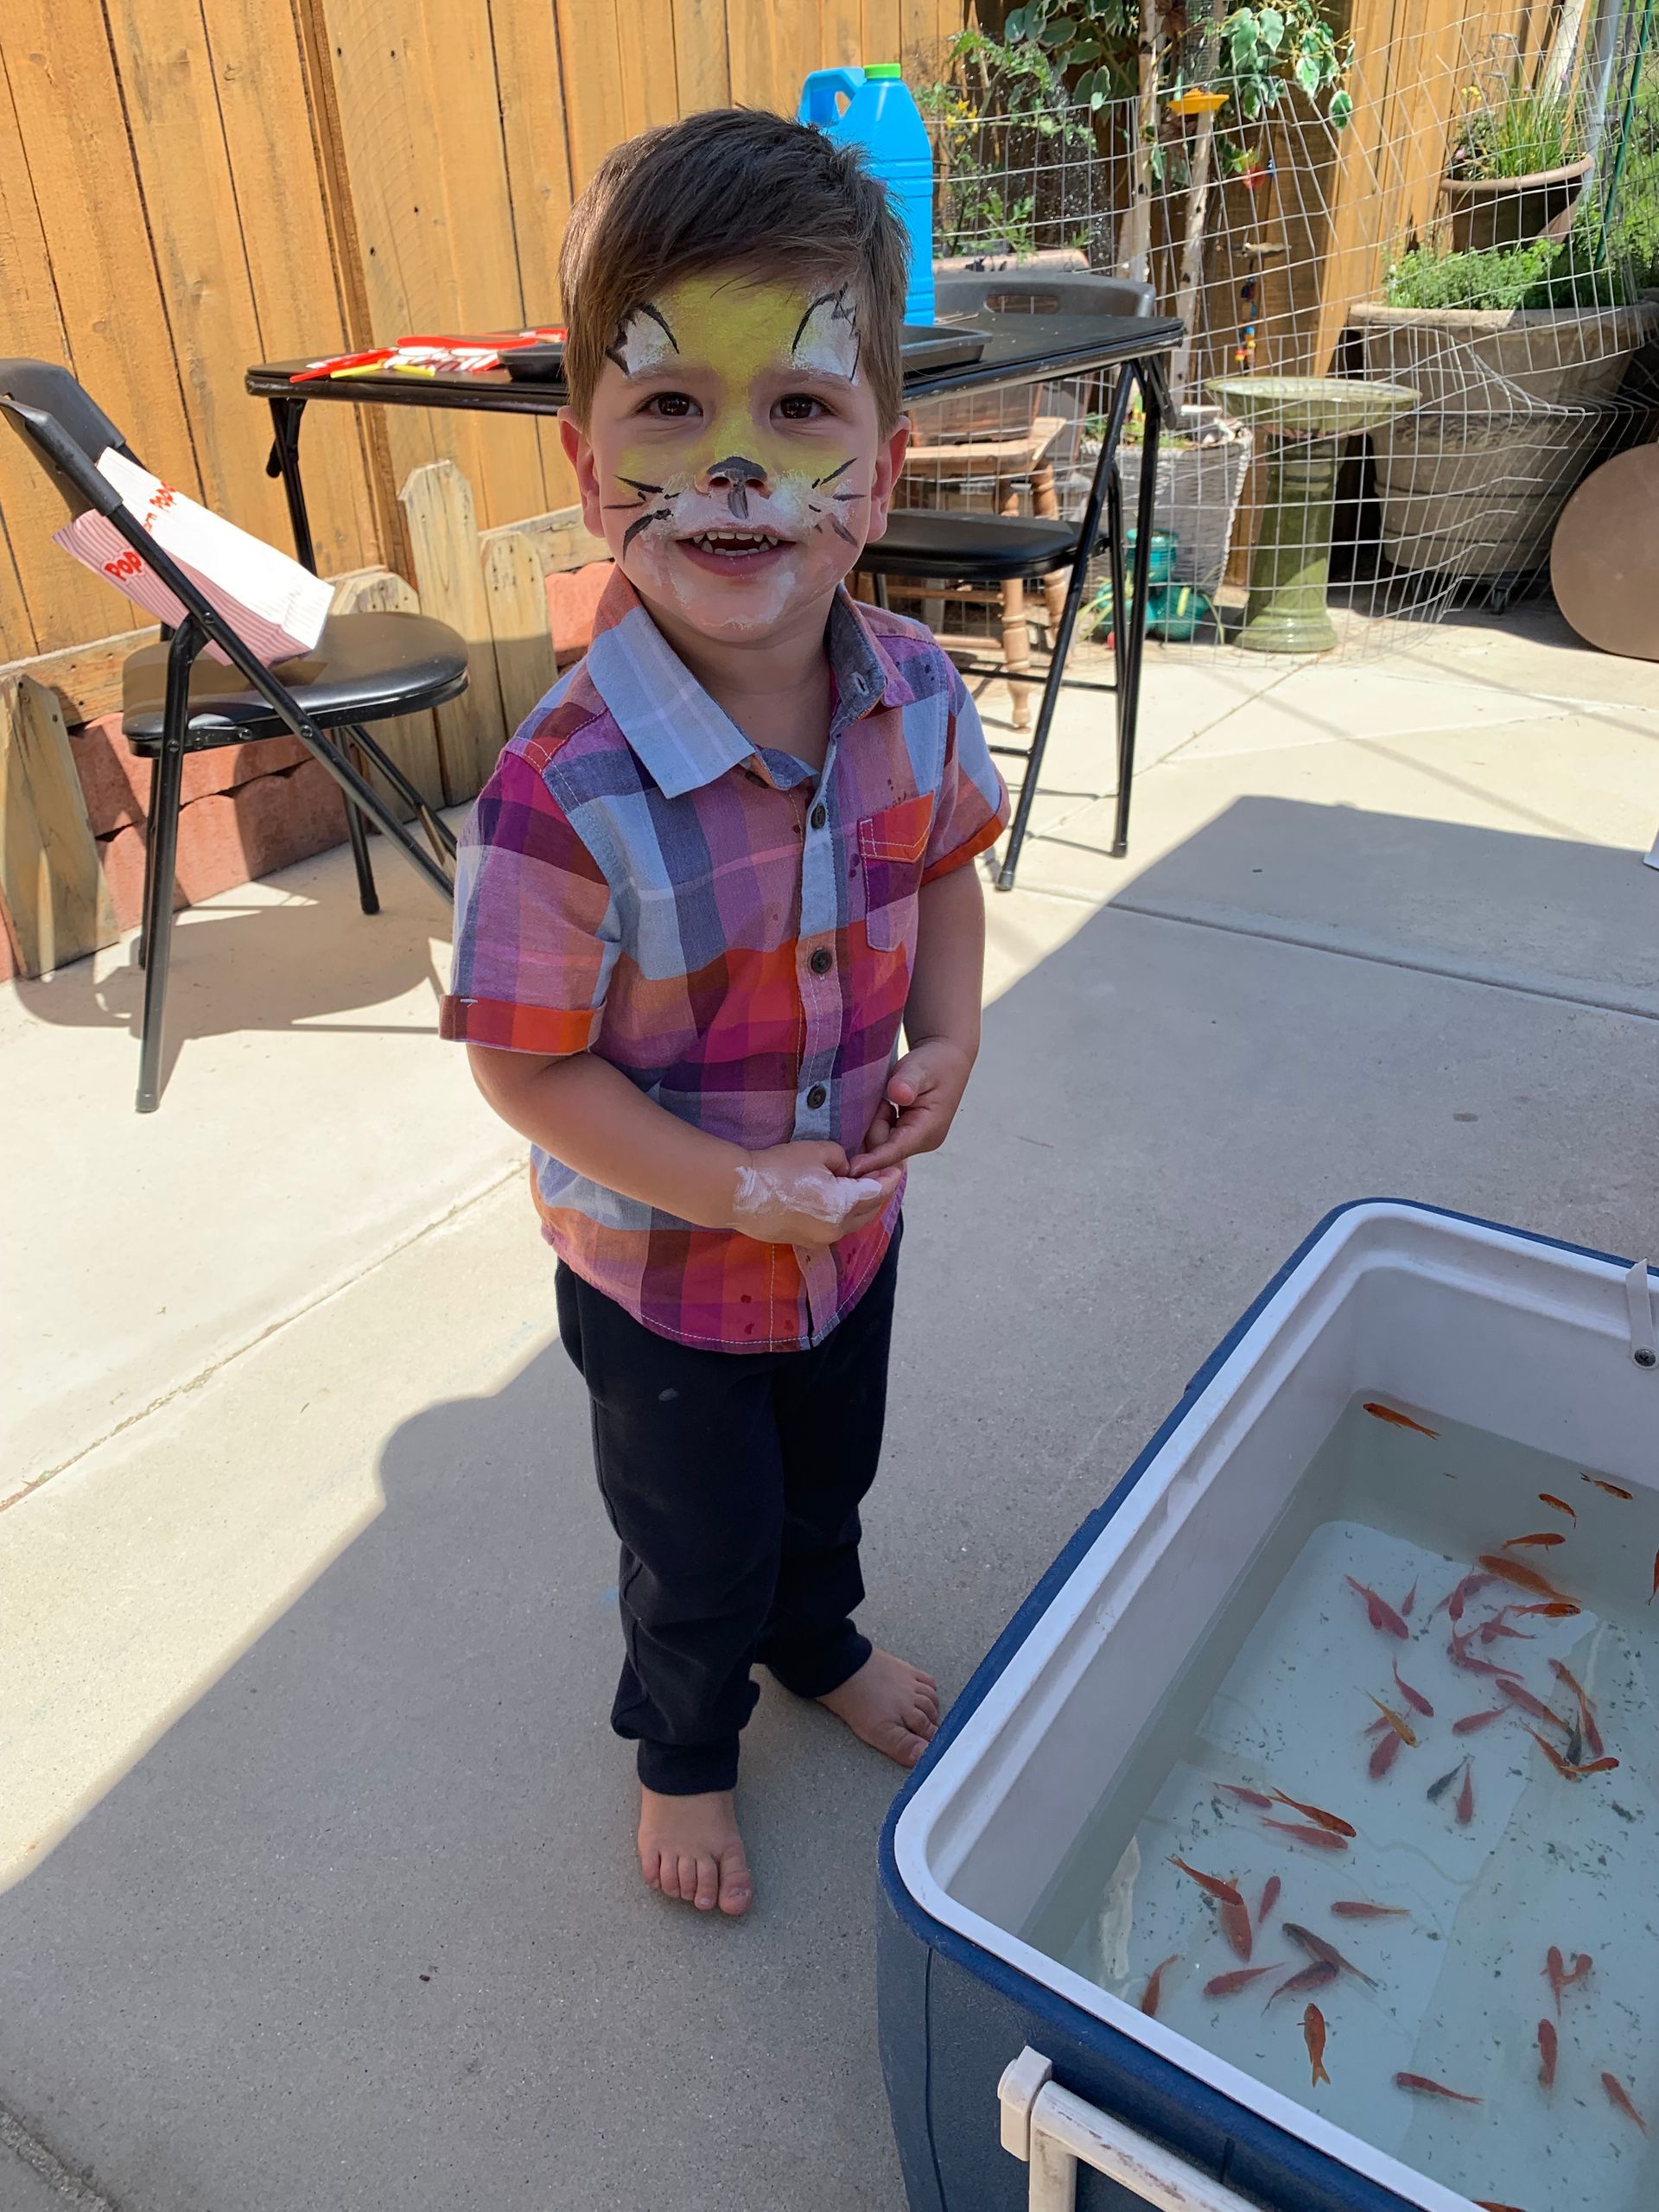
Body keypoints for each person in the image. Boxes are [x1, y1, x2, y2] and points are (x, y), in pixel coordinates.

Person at [441, 106, 1008, 1917]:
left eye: (804, 410)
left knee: (828, 1481)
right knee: (694, 1543)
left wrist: (956, 1031)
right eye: (673, 407)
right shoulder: (562, 787)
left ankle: (818, 1636)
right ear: (588, 461)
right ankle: (684, 1743)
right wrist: (721, 1186)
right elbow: (525, 1061)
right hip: (663, 1281)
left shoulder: (915, 691)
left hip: (853, 1227)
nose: (740, 472)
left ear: (887, 468)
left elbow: (940, 868)